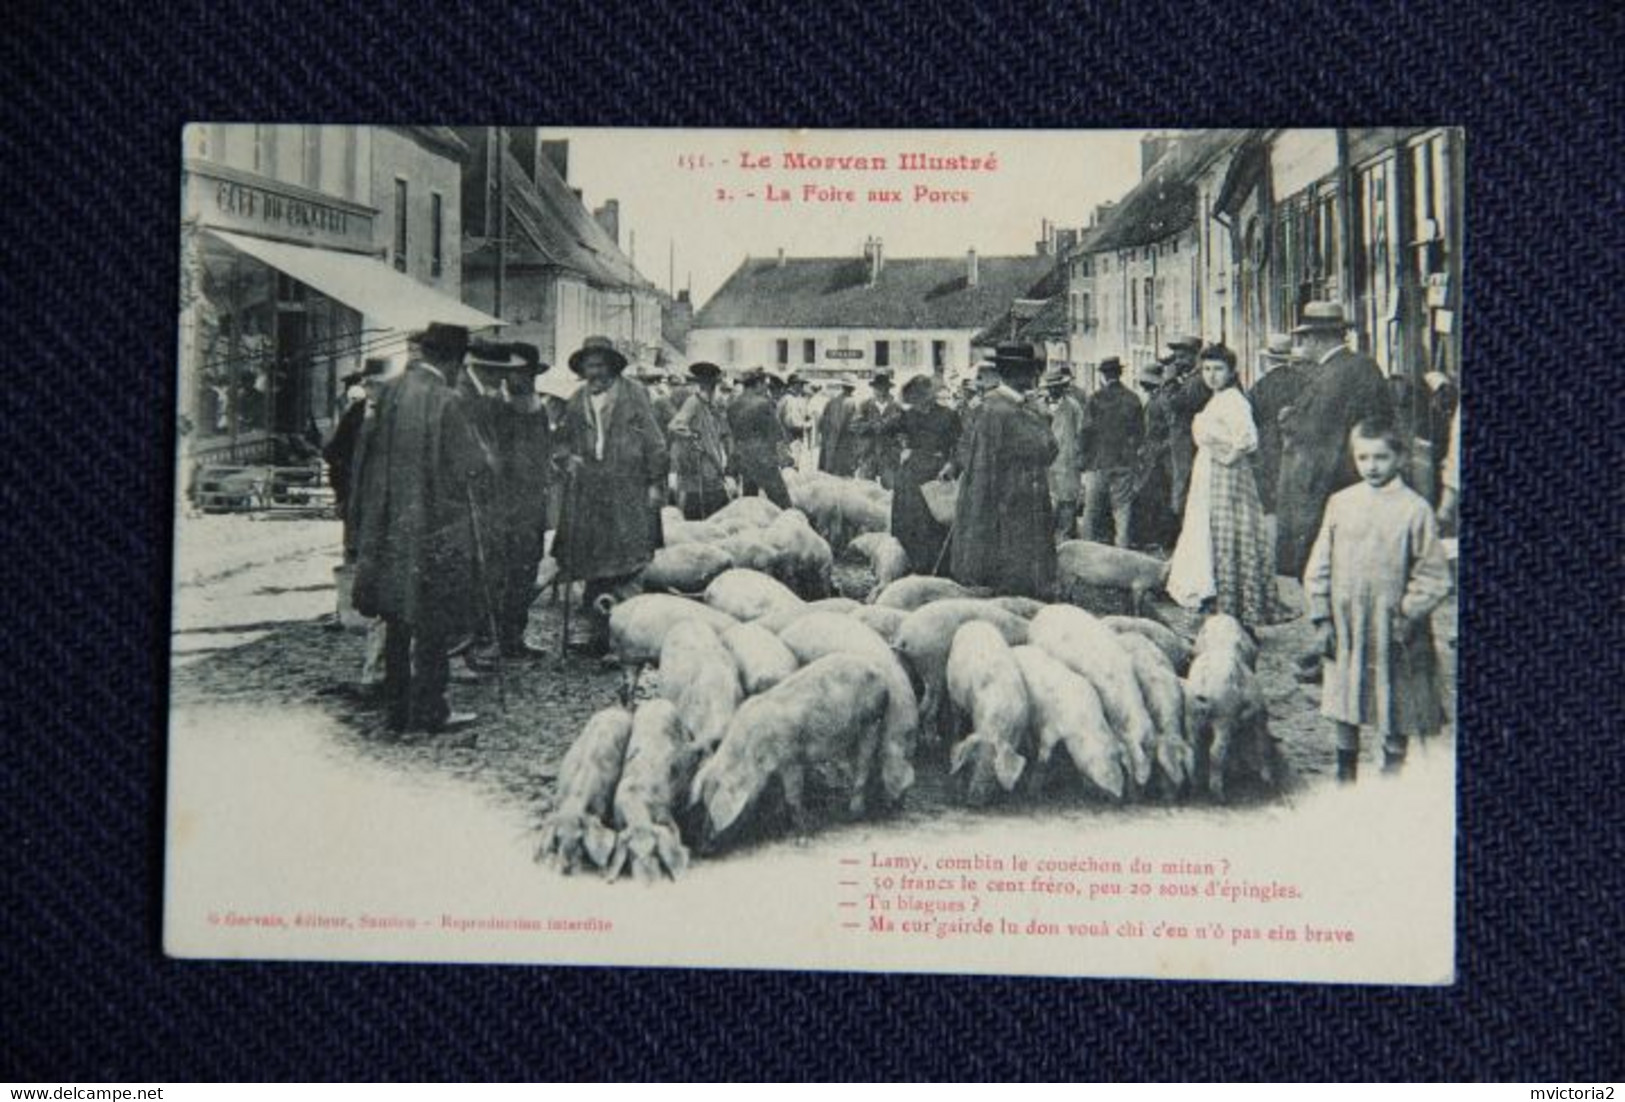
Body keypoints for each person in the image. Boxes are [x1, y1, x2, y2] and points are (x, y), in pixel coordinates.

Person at [349, 323, 487, 736]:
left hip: (390, 527)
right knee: (433, 623)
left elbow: (364, 458)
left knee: (396, 619)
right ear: (455, 360)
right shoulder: (447, 400)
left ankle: (397, 712)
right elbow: (471, 465)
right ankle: (431, 710)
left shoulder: (386, 394)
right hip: (433, 529)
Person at [1303, 418, 1452, 781]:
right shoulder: (1341, 503)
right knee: (1344, 700)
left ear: (1400, 458)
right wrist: (1322, 616)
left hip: (1396, 628)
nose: (1371, 466)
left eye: (1381, 458)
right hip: (1347, 623)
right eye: (1363, 458)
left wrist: (1408, 612)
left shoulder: (1415, 510)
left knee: (1396, 702)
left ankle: (1391, 774)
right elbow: (1319, 563)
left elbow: (1434, 575)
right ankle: (1345, 773)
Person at [551, 335, 668, 656]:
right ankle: (594, 632)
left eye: (601, 365)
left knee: (628, 563)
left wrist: (656, 483)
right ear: (583, 370)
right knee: (593, 562)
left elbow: (655, 441)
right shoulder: (576, 401)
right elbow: (561, 441)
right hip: (590, 494)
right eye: (589, 366)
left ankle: (626, 636)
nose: (595, 373)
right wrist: (567, 458)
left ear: (612, 367)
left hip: (628, 490)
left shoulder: (634, 396)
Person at [1166, 344, 1290, 626]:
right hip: (1209, 472)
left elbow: (1247, 440)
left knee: (1226, 536)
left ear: (1232, 371)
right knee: (1211, 535)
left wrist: (1226, 457)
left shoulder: (1234, 400)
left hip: (1225, 476)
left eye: (1218, 369)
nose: (1211, 376)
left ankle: (1236, 607)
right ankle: (1222, 603)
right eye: (1207, 369)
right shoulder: (1217, 399)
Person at [1275, 301, 1396, 580]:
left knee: (1335, 562)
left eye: (1305, 338)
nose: (1304, 344)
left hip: (1334, 478)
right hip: (1366, 471)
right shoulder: (1362, 365)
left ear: (1317, 339)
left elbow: (1316, 431)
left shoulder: (1332, 375)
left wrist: (1289, 420)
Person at [462, 341, 554, 659]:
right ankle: (488, 639)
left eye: (525, 373)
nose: (519, 380)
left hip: (532, 506)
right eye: (513, 374)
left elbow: (544, 453)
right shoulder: (492, 408)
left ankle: (514, 636)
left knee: (525, 571)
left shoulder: (538, 408)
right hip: (500, 505)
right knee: (495, 573)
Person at [944, 344, 1057, 598]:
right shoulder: (1013, 412)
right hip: (1015, 495)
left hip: (989, 494)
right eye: (1031, 373)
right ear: (1022, 375)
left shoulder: (987, 406)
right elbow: (1047, 449)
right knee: (1015, 556)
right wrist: (1043, 418)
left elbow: (966, 448)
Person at [878, 373, 961, 573]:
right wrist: (900, 452)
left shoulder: (948, 415)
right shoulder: (906, 416)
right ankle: (909, 565)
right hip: (911, 474)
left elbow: (960, 444)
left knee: (937, 520)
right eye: (915, 397)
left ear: (931, 394)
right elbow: (883, 434)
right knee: (909, 521)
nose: (920, 400)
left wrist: (952, 464)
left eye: (924, 394)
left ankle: (938, 568)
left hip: (938, 472)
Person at [1080, 357, 1143, 547]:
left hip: (1098, 462)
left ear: (1103, 375)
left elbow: (1085, 432)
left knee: (1092, 511)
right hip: (1124, 462)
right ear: (1120, 373)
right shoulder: (1133, 399)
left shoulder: (1096, 399)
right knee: (1122, 511)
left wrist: (1083, 459)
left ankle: (1088, 553)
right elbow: (1140, 433)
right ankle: (1121, 551)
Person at [1247, 333, 1305, 516]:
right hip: (1298, 443)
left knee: (1273, 497)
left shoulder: (1259, 387)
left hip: (1268, 446)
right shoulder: (1303, 381)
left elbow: (1252, 420)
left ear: (1268, 360)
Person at [667, 361, 732, 519]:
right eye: (713, 386)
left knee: (719, 509)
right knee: (698, 510)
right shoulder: (693, 402)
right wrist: (692, 436)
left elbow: (719, 433)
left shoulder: (711, 406)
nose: (714, 389)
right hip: (699, 467)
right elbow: (675, 425)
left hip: (712, 465)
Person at [727, 367, 792, 507]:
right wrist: (785, 458)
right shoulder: (763, 403)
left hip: (743, 459)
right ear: (758, 384)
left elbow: (732, 433)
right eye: (764, 385)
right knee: (782, 503)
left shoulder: (733, 405)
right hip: (764, 459)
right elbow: (775, 433)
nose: (765, 388)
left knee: (750, 501)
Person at [1131, 360, 1179, 550]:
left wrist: (1160, 447)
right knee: (1151, 496)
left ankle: (1160, 539)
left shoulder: (1162, 400)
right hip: (1151, 454)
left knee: (1157, 497)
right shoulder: (1154, 399)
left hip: (1160, 457)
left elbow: (1172, 429)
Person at [1160, 335, 1209, 516]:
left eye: (1181, 357)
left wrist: (1169, 380)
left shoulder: (1196, 381)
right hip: (1185, 443)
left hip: (1188, 444)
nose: (1177, 362)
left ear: (1194, 356)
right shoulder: (1192, 379)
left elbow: (1172, 404)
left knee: (1184, 490)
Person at [1041, 364, 1086, 542]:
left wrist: (1079, 457)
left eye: (1056, 387)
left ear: (1063, 387)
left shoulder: (1073, 407)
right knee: (1047, 504)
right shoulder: (1038, 406)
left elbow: (1082, 433)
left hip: (1067, 462)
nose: (1053, 390)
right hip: (1044, 464)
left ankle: (1066, 542)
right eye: (1050, 387)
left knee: (1067, 504)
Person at [851, 372, 902, 488]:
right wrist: (872, 425)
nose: (880, 390)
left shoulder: (896, 407)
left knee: (891, 489)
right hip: (868, 453)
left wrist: (898, 446)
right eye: (877, 387)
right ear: (873, 388)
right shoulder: (865, 405)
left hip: (889, 454)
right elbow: (854, 426)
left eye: (883, 387)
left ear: (888, 389)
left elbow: (903, 430)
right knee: (865, 490)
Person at [817, 380, 861, 476]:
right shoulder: (854, 403)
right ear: (853, 389)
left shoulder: (831, 401)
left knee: (830, 474)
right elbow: (856, 427)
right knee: (844, 476)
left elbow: (822, 424)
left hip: (831, 444)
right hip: (846, 445)